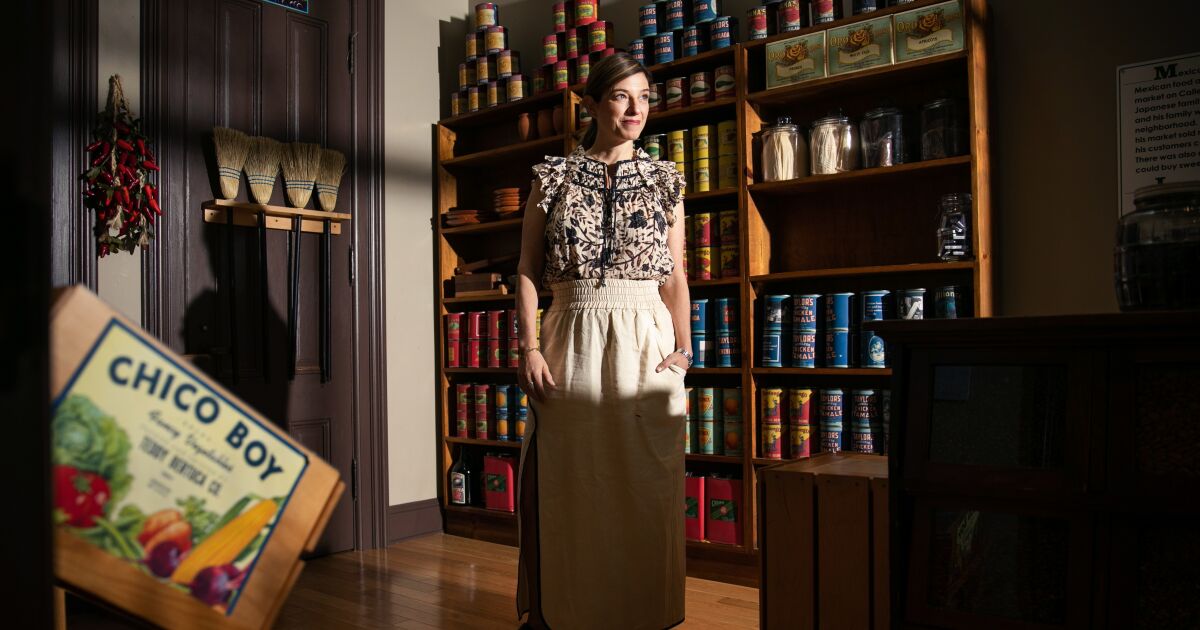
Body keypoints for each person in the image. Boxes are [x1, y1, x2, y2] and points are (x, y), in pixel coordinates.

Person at [514, 52, 692, 630]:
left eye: (644, 97)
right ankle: (565, 617)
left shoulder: (665, 181)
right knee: (569, 485)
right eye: (621, 96)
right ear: (591, 104)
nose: (636, 109)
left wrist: (685, 351)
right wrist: (528, 347)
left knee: (648, 487)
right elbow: (527, 268)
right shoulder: (552, 177)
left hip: (647, 342)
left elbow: (675, 276)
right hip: (571, 337)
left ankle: (644, 616)